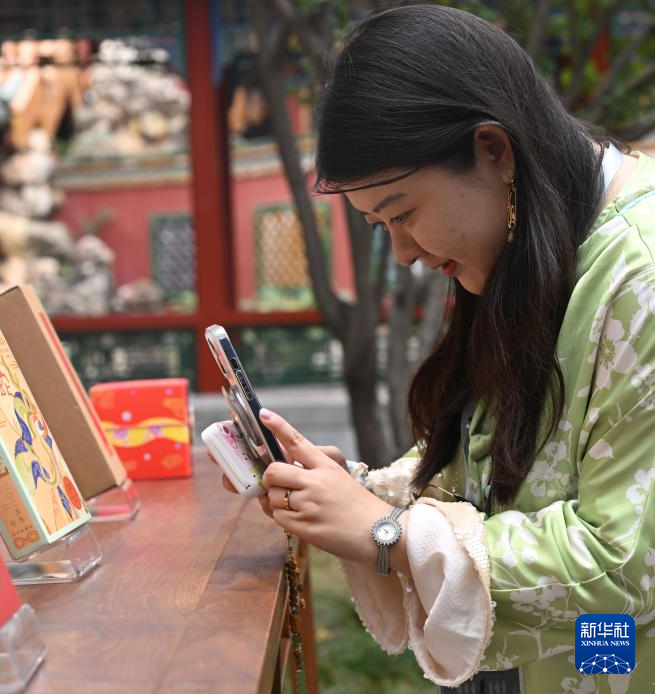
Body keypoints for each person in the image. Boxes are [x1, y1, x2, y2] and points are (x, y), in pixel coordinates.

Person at [216, 5, 654, 693]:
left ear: (493, 150)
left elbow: (625, 564)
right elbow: (487, 472)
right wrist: (353, 495)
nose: (403, 252)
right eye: (378, 225)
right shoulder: (536, 243)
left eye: (403, 213)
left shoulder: (643, 273)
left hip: (611, 657)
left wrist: (389, 532)